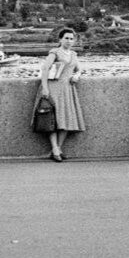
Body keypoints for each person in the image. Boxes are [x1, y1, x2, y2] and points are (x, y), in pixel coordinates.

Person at [38, 28, 85, 162]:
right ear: (60, 39)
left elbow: (79, 69)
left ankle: (58, 148)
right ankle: (55, 149)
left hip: (67, 89)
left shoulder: (74, 54)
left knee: (66, 119)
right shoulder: (55, 52)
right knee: (52, 119)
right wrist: (45, 88)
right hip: (54, 88)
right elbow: (45, 68)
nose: (69, 41)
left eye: (71, 38)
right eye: (66, 38)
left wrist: (77, 75)